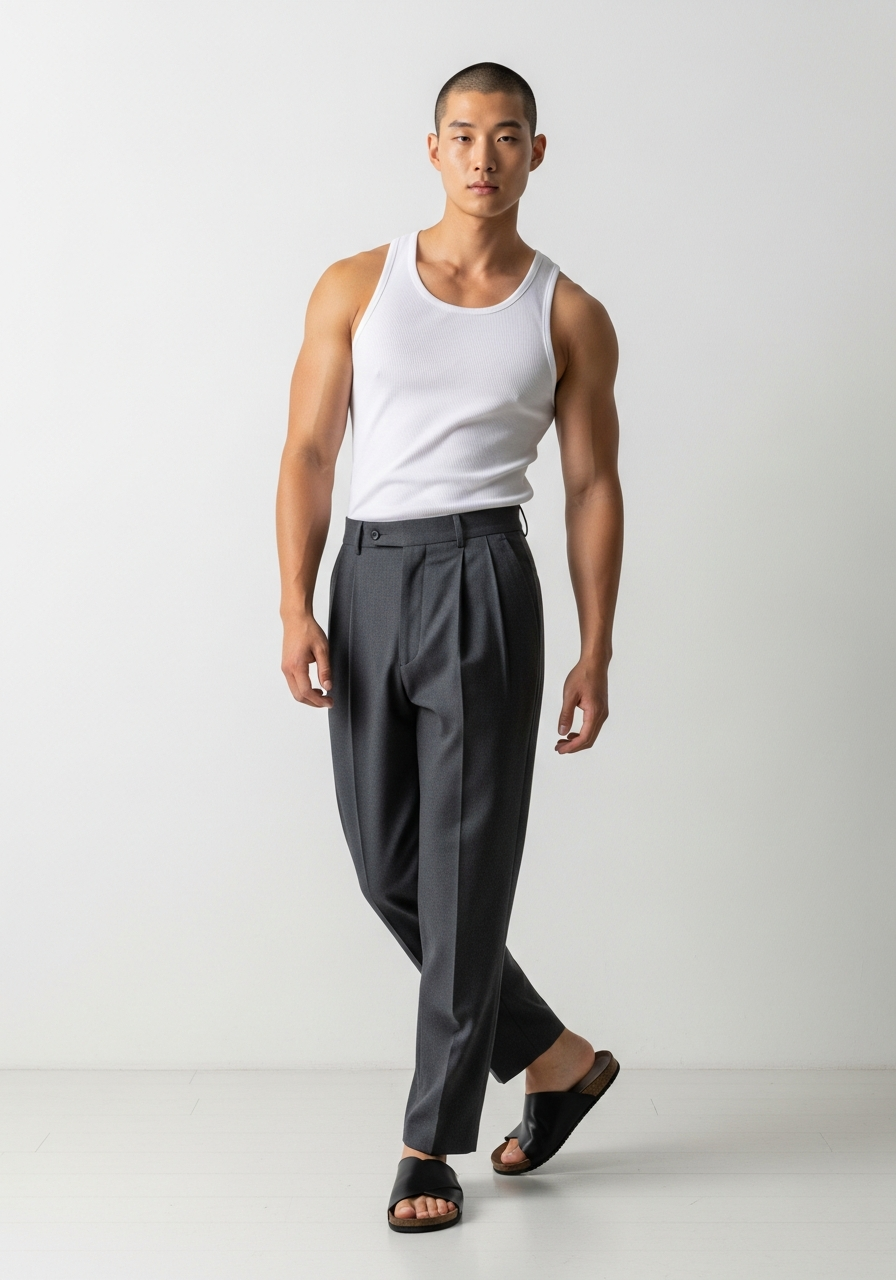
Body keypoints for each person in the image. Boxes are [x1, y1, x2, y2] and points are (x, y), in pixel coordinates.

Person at [275, 62, 624, 1233]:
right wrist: (293, 600)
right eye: (464, 135)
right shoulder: (354, 285)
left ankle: (428, 1141)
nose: (483, 157)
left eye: (506, 136)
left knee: (465, 877)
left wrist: (596, 646)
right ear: (432, 149)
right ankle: (557, 1057)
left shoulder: (566, 312)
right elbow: (309, 452)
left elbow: (590, 484)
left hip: (483, 577)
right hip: (368, 574)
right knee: (389, 868)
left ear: (536, 153)